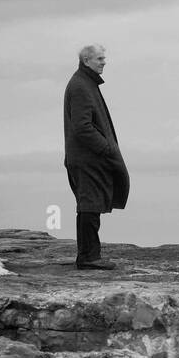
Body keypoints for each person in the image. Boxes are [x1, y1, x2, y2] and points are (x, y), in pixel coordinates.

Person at [62, 44, 129, 269]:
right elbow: (82, 127)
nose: (104, 62)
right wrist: (106, 148)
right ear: (86, 60)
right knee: (89, 205)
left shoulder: (85, 82)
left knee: (91, 204)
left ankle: (90, 255)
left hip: (87, 157)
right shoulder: (81, 85)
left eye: (104, 58)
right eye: (99, 58)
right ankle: (88, 258)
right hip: (86, 158)